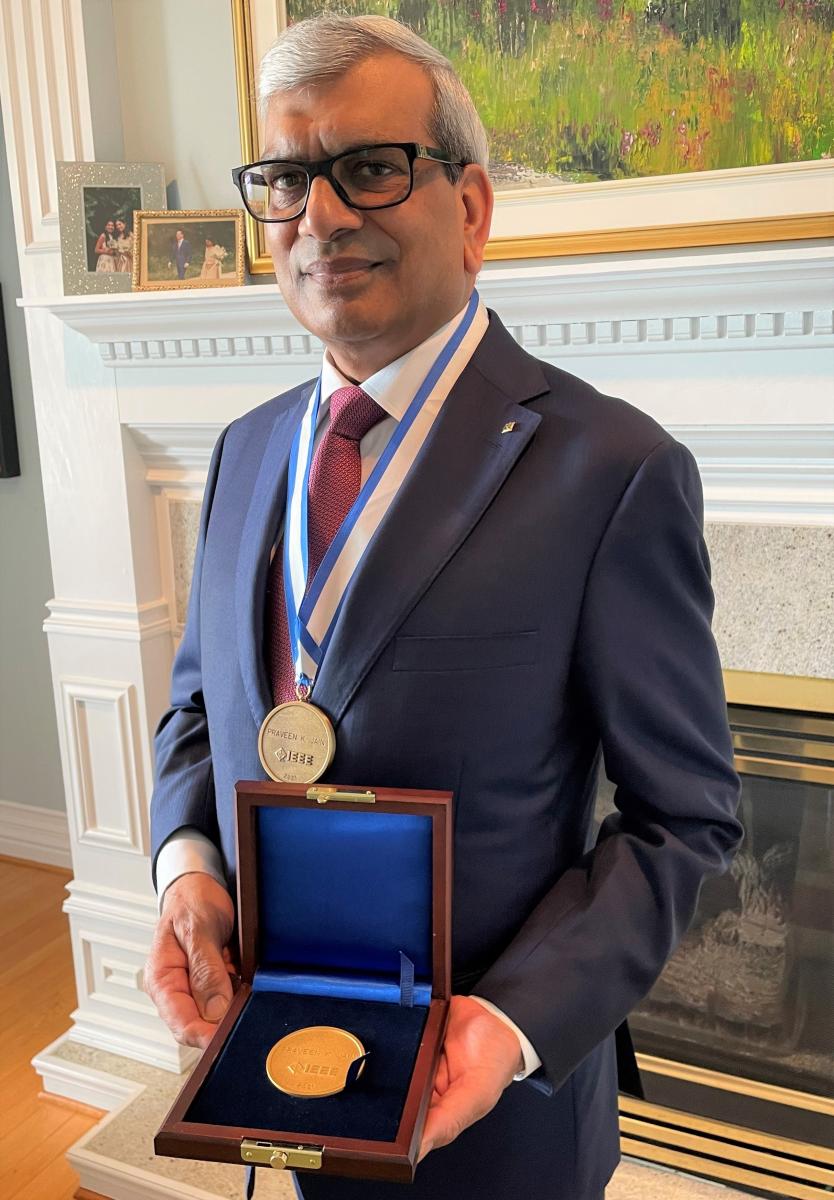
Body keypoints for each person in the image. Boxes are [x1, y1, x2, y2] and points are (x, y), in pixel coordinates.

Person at [144, 15, 741, 1200]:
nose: (319, 217)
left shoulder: (612, 470)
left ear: (469, 209)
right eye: (284, 180)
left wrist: (512, 1027)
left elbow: (688, 819)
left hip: (495, 1108)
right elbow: (200, 712)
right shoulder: (244, 451)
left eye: (369, 168)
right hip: (281, 1062)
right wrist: (189, 869)